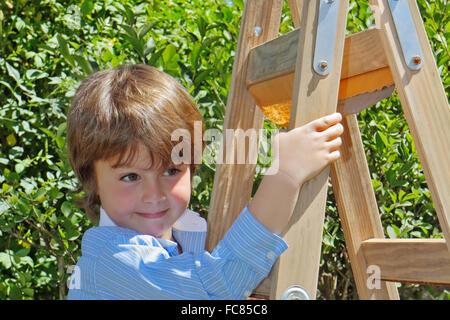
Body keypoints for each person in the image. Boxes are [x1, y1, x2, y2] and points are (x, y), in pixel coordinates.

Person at [66, 64, 343, 299]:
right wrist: (286, 175)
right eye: (130, 176)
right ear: (92, 179)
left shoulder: (186, 237)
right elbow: (215, 288)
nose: (154, 194)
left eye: (171, 171)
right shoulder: (112, 264)